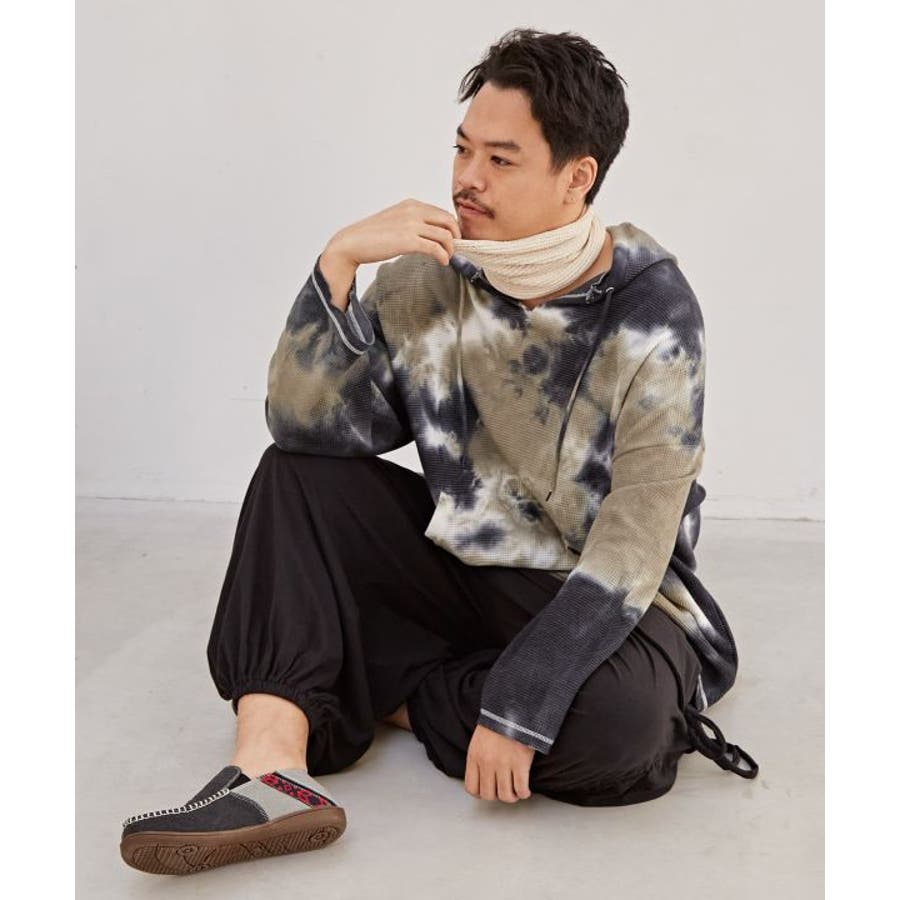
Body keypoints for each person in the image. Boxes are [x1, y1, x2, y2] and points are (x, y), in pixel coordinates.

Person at [119, 27, 758, 877]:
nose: (467, 178)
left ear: (578, 176)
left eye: (500, 159)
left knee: (625, 726)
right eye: (463, 149)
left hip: (606, 595)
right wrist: (338, 263)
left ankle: (392, 688)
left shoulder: (652, 310)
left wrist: (524, 701)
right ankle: (269, 772)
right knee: (294, 478)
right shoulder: (426, 276)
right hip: (464, 565)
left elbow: (635, 543)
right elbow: (307, 429)